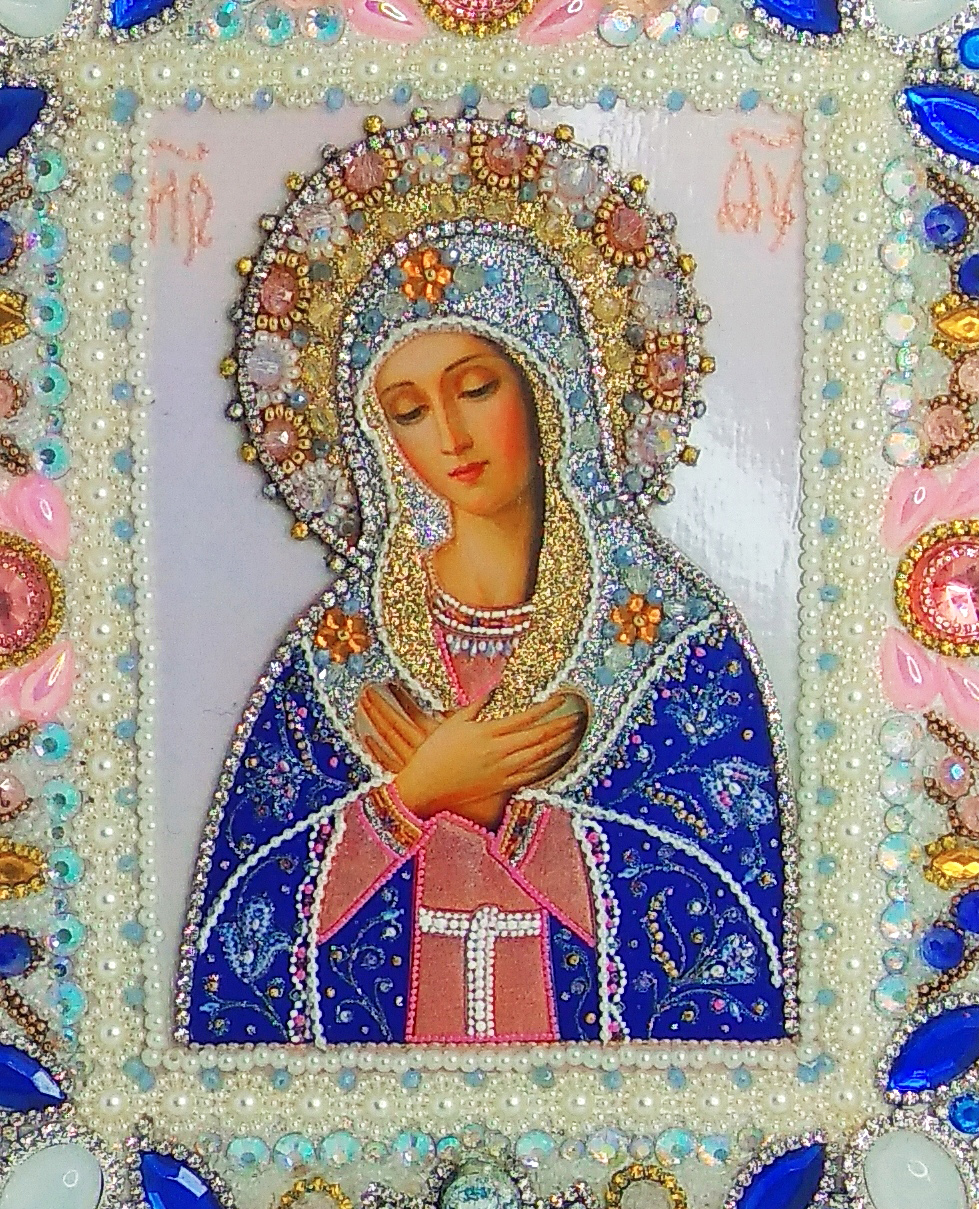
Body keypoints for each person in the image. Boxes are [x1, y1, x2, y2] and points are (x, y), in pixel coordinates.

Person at [177, 114, 795, 1048]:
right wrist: (403, 801)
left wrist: (499, 815)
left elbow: (732, 925)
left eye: (474, 387)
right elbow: (238, 931)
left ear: (551, 389)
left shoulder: (672, 646)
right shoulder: (337, 657)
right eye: (408, 410)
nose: (450, 437)